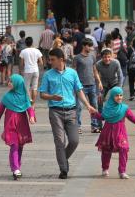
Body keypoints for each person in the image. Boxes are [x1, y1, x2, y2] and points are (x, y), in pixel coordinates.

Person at [38, 48, 96, 179]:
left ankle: (63, 159)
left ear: (61, 60)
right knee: (59, 141)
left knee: (74, 141)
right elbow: (42, 94)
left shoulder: (72, 73)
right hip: (55, 112)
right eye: (50, 59)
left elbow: (79, 90)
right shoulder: (48, 74)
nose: (50, 62)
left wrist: (88, 105)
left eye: (52, 59)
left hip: (71, 111)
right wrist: (52, 97)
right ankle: (63, 169)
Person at [94, 87, 135, 179]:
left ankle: (122, 171)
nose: (119, 97)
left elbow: (133, 118)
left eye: (121, 95)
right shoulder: (107, 107)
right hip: (107, 133)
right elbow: (103, 117)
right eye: (116, 95)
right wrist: (94, 114)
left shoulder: (124, 108)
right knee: (106, 151)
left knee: (123, 149)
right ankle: (105, 168)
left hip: (120, 133)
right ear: (112, 96)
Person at [0, 74, 36, 180]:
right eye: (9, 81)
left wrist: (31, 117)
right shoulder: (7, 97)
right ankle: (15, 168)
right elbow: (0, 110)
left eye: (11, 81)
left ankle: (17, 166)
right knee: (14, 145)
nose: (9, 83)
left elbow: (29, 108)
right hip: (10, 125)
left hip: (22, 125)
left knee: (20, 146)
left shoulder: (24, 97)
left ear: (18, 84)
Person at [73, 39, 102, 134]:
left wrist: (99, 81)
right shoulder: (77, 58)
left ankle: (94, 126)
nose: (90, 48)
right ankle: (77, 127)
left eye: (91, 46)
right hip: (80, 86)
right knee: (78, 107)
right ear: (84, 46)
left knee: (94, 106)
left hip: (92, 85)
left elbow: (95, 70)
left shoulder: (92, 57)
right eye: (89, 46)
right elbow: (73, 72)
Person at [19, 37, 43, 106]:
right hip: (35, 70)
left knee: (27, 87)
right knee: (34, 87)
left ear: (25, 43)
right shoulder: (37, 50)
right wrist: (36, 65)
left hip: (27, 70)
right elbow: (41, 62)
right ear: (32, 42)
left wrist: (21, 70)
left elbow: (21, 63)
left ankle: (29, 102)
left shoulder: (23, 51)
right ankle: (33, 104)